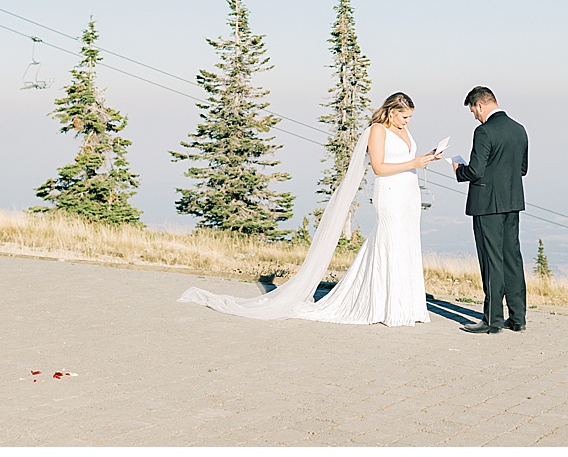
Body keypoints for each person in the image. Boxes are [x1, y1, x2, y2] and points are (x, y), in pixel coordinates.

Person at [178, 90, 443, 323]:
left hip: (409, 193)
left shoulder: (403, 129)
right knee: (389, 242)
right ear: (392, 112)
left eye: (409, 118)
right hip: (390, 193)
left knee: (406, 244)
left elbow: (408, 158)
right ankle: (383, 307)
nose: (408, 122)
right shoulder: (377, 130)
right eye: (404, 117)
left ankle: (406, 304)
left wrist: (426, 159)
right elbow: (379, 167)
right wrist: (414, 163)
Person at [454, 86, 530, 333]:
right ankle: (518, 318)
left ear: (480, 105)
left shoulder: (484, 131)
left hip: (487, 205)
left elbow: (475, 170)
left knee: (491, 260)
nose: (474, 116)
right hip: (512, 202)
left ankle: (492, 320)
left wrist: (458, 170)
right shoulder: (519, 129)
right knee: (512, 258)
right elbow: (522, 169)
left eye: (473, 111)